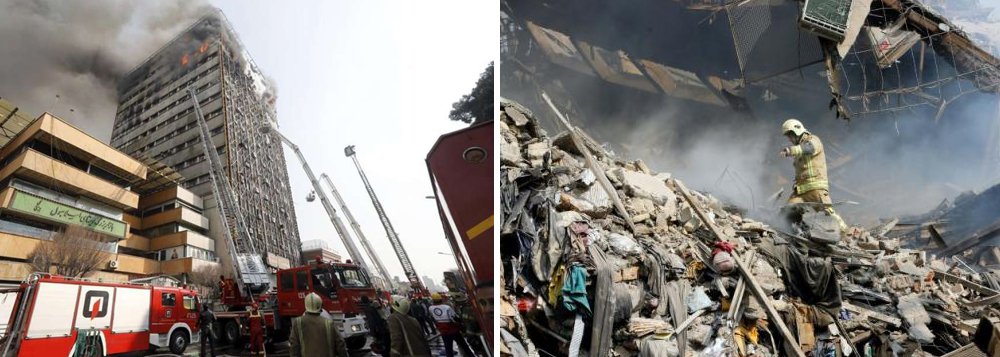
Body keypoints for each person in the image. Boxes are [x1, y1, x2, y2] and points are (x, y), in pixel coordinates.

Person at [778, 119, 847, 231]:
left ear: (797, 131)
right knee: (787, 212)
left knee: (829, 214)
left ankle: (847, 234)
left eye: (790, 135)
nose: (789, 139)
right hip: (800, 192)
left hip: (816, 189)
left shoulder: (813, 140)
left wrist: (789, 151)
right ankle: (792, 237)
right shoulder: (799, 151)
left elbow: (809, 148)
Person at [289, 292, 349, 357]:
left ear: (306, 305)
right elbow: (340, 344)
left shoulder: (298, 323)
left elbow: (294, 347)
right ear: (320, 305)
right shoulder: (328, 323)